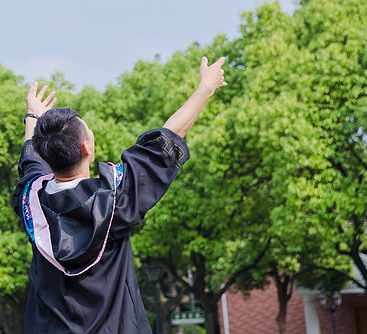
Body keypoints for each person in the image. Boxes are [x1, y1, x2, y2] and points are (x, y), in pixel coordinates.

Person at [14, 57, 229, 334]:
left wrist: (33, 116)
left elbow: (30, 161)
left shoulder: (31, 201)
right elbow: (167, 140)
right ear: (86, 148)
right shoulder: (114, 198)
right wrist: (205, 88)